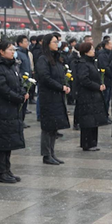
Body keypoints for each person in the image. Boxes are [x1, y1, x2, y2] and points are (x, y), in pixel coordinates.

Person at [0, 41, 27, 183]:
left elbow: (18, 83)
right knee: (2, 141)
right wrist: (18, 98)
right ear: (1, 52)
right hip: (2, 109)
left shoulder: (13, 66)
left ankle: (7, 169)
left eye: (13, 49)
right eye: (10, 50)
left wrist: (23, 93)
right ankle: (1, 172)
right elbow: (1, 88)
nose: (13, 52)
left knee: (9, 140)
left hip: (11, 109)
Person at [36, 33, 70, 165]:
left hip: (57, 96)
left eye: (58, 42)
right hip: (48, 97)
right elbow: (45, 78)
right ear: (47, 44)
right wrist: (60, 87)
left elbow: (59, 76)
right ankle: (46, 154)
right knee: (48, 127)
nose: (58, 44)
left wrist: (65, 86)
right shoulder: (43, 59)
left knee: (54, 126)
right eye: (55, 42)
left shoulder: (56, 59)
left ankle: (52, 152)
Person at [77, 42, 106, 151]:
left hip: (94, 96)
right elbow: (84, 80)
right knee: (88, 120)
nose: (94, 51)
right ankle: (87, 143)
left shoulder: (92, 63)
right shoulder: (83, 63)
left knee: (94, 120)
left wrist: (100, 84)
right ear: (86, 51)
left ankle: (93, 142)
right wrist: (97, 87)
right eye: (91, 49)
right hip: (87, 96)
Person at [15, 35, 32, 125]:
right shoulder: (18, 54)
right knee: (21, 103)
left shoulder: (26, 53)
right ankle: (19, 121)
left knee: (25, 103)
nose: (27, 43)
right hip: (22, 82)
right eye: (25, 41)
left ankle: (22, 120)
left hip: (27, 82)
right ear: (20, 43)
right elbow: (18, 68)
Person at [97, 40, 112, 125]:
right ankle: (103, 117)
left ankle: (106, 115)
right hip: (106, 80)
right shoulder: (102, 54)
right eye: (110, 44)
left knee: (107, 100)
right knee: (105, 99)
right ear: (106, 45)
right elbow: (105, 67)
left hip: (109, 80)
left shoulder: (109, 53)